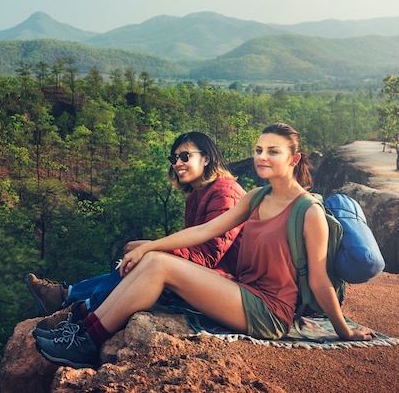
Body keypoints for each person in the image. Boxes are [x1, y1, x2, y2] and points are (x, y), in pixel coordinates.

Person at [34, 123, 376, 369]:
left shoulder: (308, 211)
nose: (262, 157)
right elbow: (203, 232)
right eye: (259, 150)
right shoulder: (257, 197)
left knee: (161, 265)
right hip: (242, 291)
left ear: (293, 158)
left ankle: (86, 339)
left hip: (270, 311)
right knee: (154, 261)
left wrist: (344, 331)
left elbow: (318, 281)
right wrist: (146, 248)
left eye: (273, 151)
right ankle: (85, 336)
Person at [26, 131, 246, 326]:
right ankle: (67, 296)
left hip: (228, 286)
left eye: (185, 156)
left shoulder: (226, 193)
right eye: (174, 158)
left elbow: (207, 257)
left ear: (206, 158)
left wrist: (150, 247)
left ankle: (78, 307)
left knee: (147, 259)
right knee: (142, 259)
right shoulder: (196, 196)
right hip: (210, 275)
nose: (177, 163)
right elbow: (194, 247)